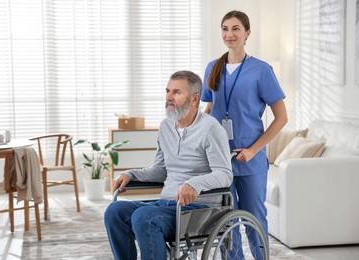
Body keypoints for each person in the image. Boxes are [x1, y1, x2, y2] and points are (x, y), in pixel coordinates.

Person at [104, 70, 233, 260]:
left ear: (194, 99)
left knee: (144, 217)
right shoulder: (166, 126)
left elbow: (224, 174)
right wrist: (131, 175)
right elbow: (161, 169)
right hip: (168, 204)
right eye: (168, 91)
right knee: (114, 211)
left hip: (198, 209)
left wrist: (194, 184)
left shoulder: (211, 129)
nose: (169, 97)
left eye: (176, 92)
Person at [201, 10, 288, 259]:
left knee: (253, 218)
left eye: (236, 28)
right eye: (225, 29)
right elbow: (209, 110)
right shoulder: (212, 67)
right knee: (225, 220)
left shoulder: (261, 70)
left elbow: (282, 118)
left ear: (247, 33)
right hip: (219, 158)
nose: (230, 34)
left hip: (249, 158)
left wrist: (254, 149)